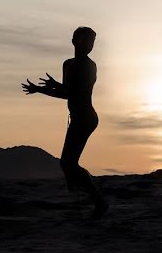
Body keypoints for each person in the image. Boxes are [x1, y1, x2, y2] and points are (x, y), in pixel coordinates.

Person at [22, 26, 109, 218]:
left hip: (86, 118)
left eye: (92, 42)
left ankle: (97, 200)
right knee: (67, 163)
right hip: (77, 117)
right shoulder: (68, 64)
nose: (90, 46)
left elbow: (75, 93)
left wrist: (50, 88)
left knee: (69, 163)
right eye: (86, 41)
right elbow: (65, 93)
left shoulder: (89, 66)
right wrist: (40, 89)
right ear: (74, 41)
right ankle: (82, 197)